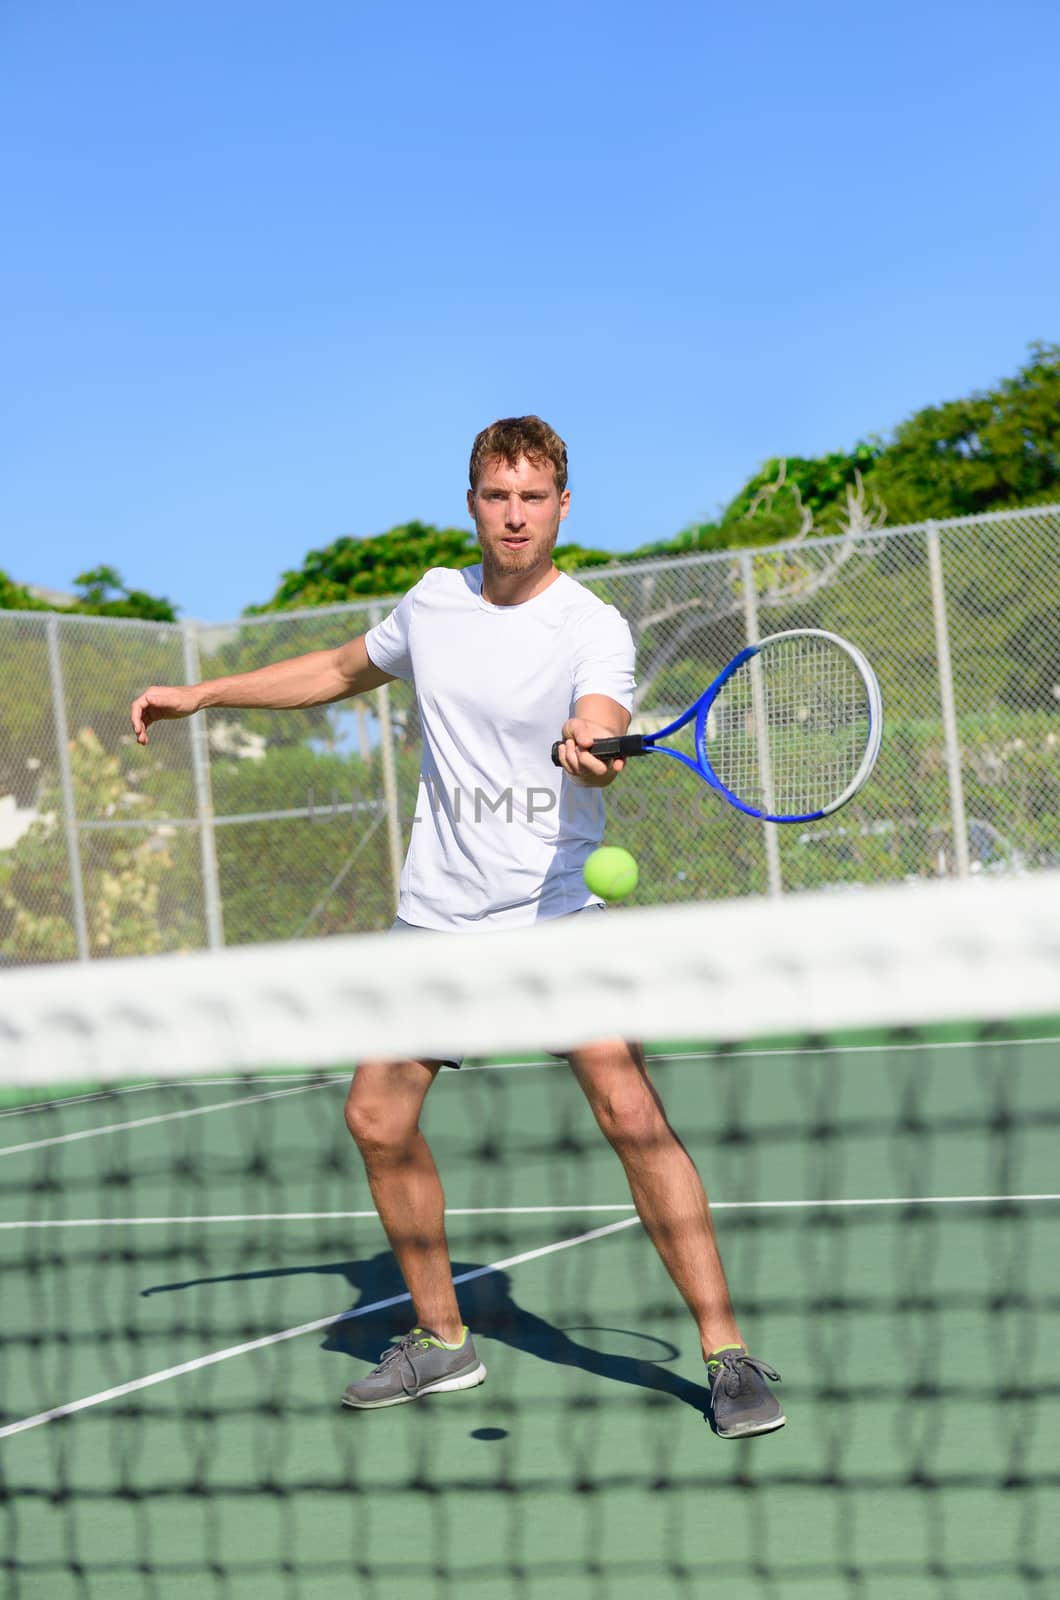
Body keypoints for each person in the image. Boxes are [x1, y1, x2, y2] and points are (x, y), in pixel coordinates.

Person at [130, 416, 784, 1439]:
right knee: (376, 1117)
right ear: (472, 502)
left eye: (532, 497)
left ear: (563, 505)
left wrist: (591, 747)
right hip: (435, 918)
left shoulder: (590, 624)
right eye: (495, 495)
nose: (514, 515)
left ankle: (727, 1353)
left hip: (556, 913)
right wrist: (204, 693)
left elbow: (600, 711)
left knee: (630, 1111)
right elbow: (340, 670)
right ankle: (444, 1339)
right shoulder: (432, 601)